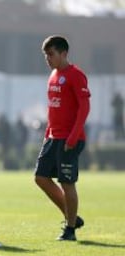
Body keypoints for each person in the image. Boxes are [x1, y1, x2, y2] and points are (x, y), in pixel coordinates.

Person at [34, 36, 91, 241]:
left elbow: (84, 108)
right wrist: (47, 134)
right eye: (45, 55)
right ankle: (72, 217)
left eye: (51, 54)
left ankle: (70, 229)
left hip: (70, 138)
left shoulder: (76, 75)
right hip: (53, 137)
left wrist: (73, 137)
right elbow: (54, 109)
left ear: (64, 53)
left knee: (67, 183)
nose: (47, 59)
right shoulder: (53, 75)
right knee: (40, 178)